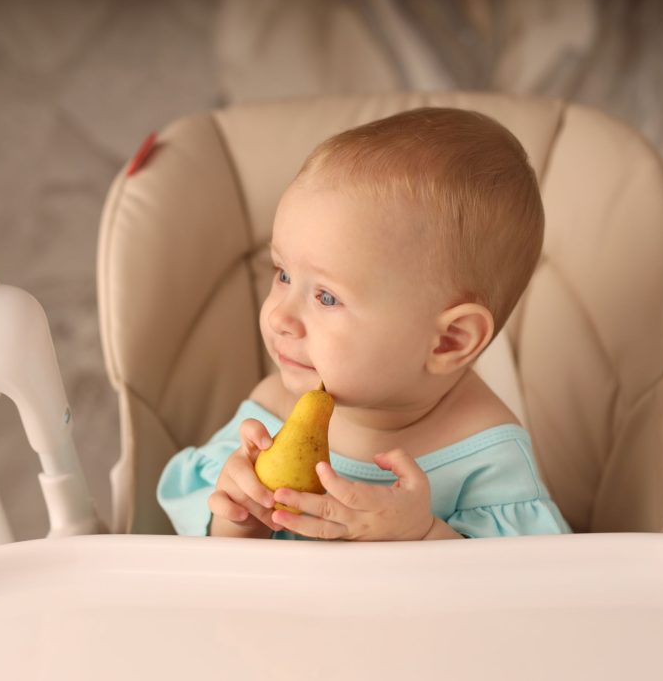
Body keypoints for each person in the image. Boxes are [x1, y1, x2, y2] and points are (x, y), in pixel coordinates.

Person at [157, 107, 570, 540]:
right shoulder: (273, 413)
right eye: (282, 274)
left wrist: (425, 537)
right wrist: (239, 516)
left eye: (327, 297)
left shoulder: (487, 460)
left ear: (449, 341)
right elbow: (210, 567)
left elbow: (526, 588)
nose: (279, 316)